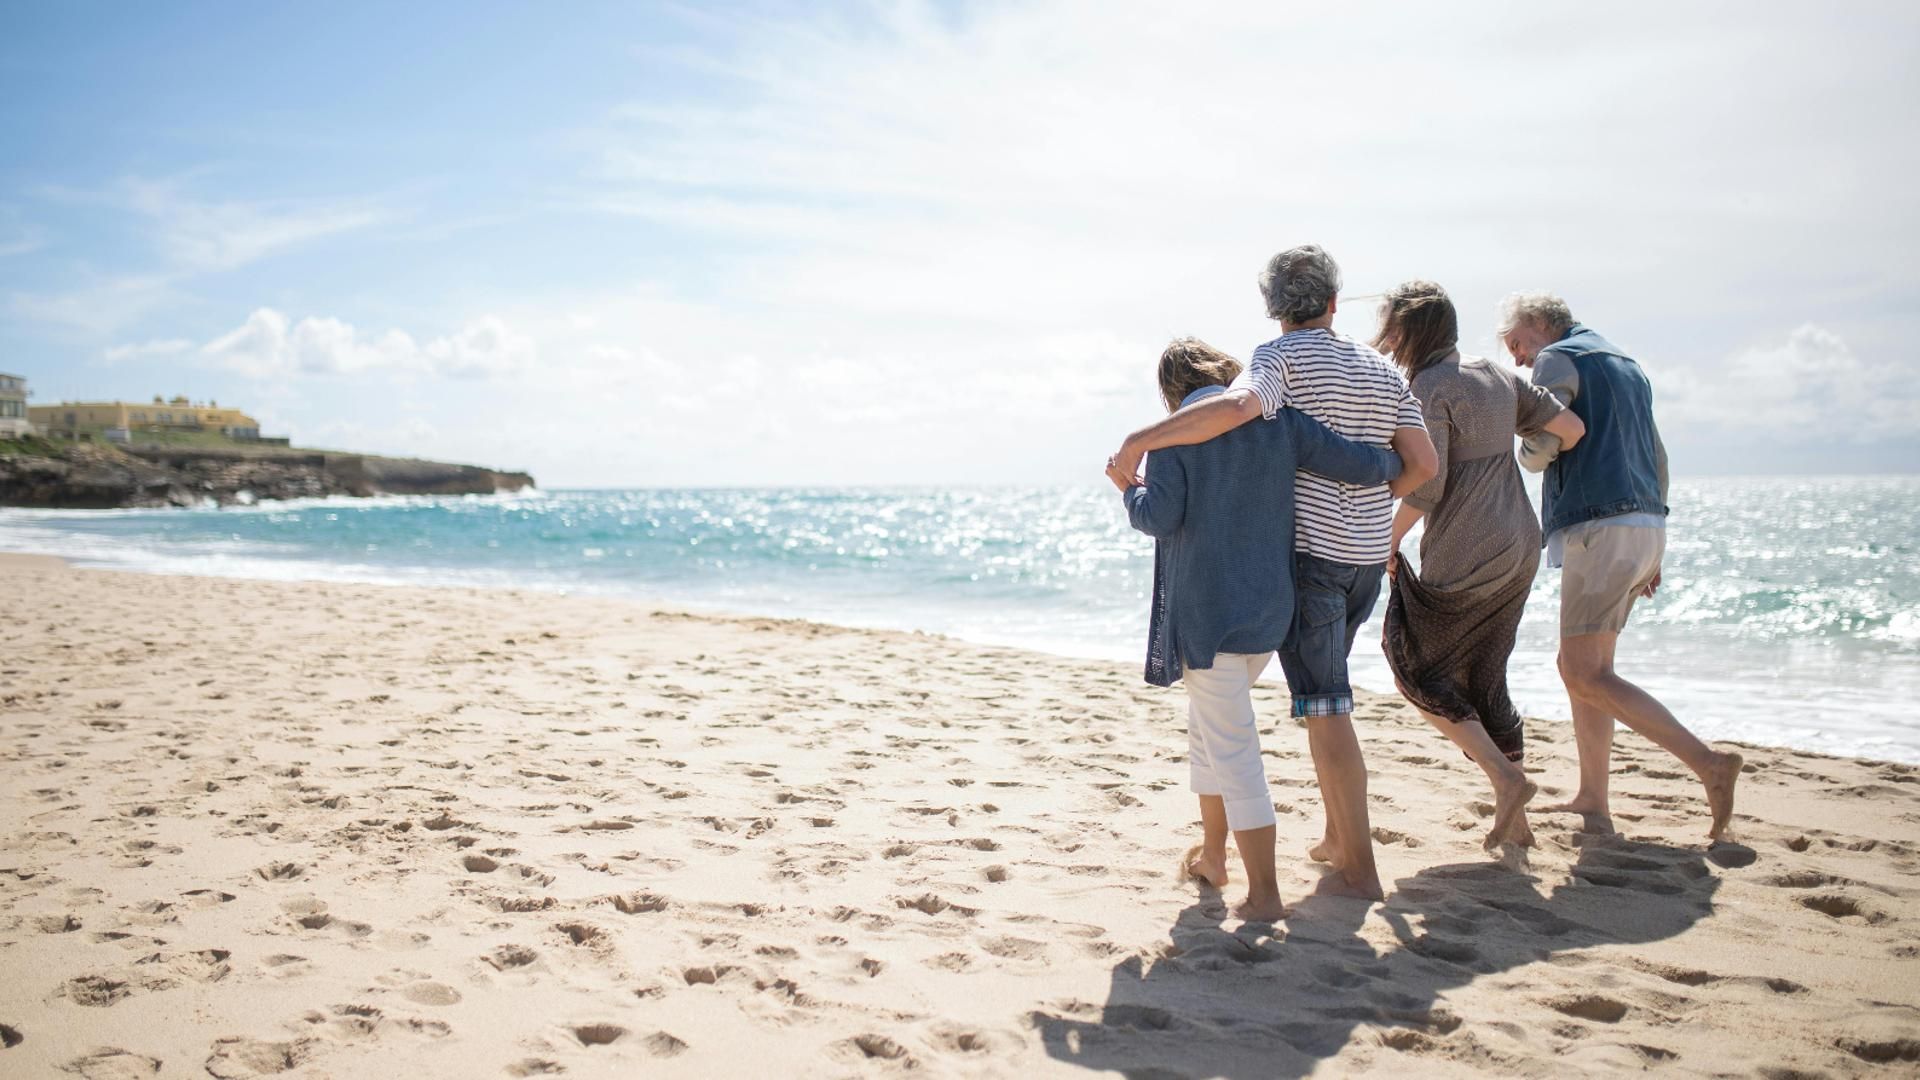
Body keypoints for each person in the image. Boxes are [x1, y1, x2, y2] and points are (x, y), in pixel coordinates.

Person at [1107, 245, 1438, 900]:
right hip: (1344, 575)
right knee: (1239, 726)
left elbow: (1215, 442)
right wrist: (1376, 503)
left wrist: (1136, 462)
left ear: (1272, 308)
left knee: (1287, 725)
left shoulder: (1241, 392)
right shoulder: (1366, 379)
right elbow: (1405, 465)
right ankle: (1230, 853)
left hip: (1262, 593)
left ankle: (1306, 881)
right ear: (1335, 303)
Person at [1502, 292, 1743, 839]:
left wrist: (1523, 451)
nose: (1518, 358)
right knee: (1586, 669)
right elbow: (1657, 455)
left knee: (1583, 671)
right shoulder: (1626, 363)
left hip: (1601, 524)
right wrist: (1654, 533)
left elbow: (1544, 441)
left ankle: (1709, 764)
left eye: (1517, 343)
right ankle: (1593, 797)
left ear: (1542, 325)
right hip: (1643, 523)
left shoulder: (1557, 358)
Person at [1373, 281, 1587, 852]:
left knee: (1414, 663)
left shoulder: (1427, 386)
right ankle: (1518, 828)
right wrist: (1513, 455)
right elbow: (1570, 429)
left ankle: (1506, 777)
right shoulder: (1495, 374)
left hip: (1470, 545)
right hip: (1521, 544)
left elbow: (1427, 485)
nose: (1387, 340)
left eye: (1392, 327)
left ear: (1412, 331)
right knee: (1487, 675)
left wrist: (1383, 544)